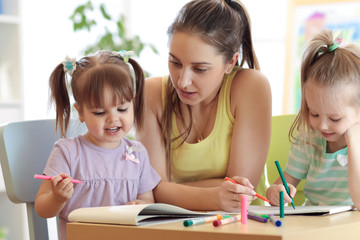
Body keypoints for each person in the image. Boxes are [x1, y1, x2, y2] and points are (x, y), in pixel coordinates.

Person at [137, 0, 272, 212]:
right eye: (175, 62)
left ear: (230, 62)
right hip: (174, 227)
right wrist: (215, 195)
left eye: (200, 69)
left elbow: (241, 193)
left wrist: (169, 191)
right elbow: (151, 191)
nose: (182, 81)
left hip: (244, 226)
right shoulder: (150, 94)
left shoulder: (251, 86)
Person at [35, 50, 161, 240]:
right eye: (100, 112)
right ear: (81, 112)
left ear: (133, 103)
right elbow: (42, 208)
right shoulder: (67, 152)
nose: (113, 119)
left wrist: (139, 205)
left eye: (122, 109)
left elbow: (147, 201)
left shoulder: (137, 152)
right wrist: (57, 197)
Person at [266, 29, 360, 209]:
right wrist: (275, 192)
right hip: (314, 224)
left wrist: (354, 143)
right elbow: (281, 186)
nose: (322, 125)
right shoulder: (308, 141)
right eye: (314, 113)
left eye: (335, 118)